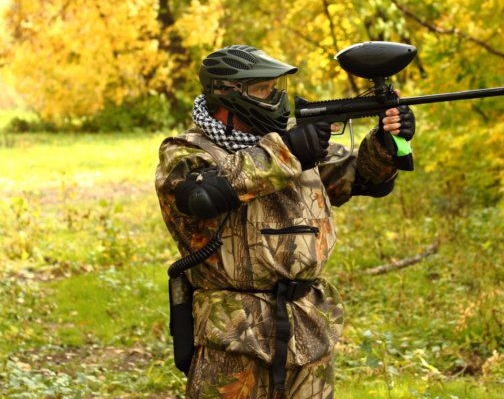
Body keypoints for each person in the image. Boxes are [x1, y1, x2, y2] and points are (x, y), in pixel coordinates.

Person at [155, 45, 415, 399]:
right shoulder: (186, 150)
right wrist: (287, 151)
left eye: (276, 87)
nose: (276, 98)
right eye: (263, 89)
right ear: (226, 93)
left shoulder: (292, 144)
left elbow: (360, 177)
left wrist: (385, 143)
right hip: (234, 336)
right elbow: (202, 195)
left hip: (307, 328)